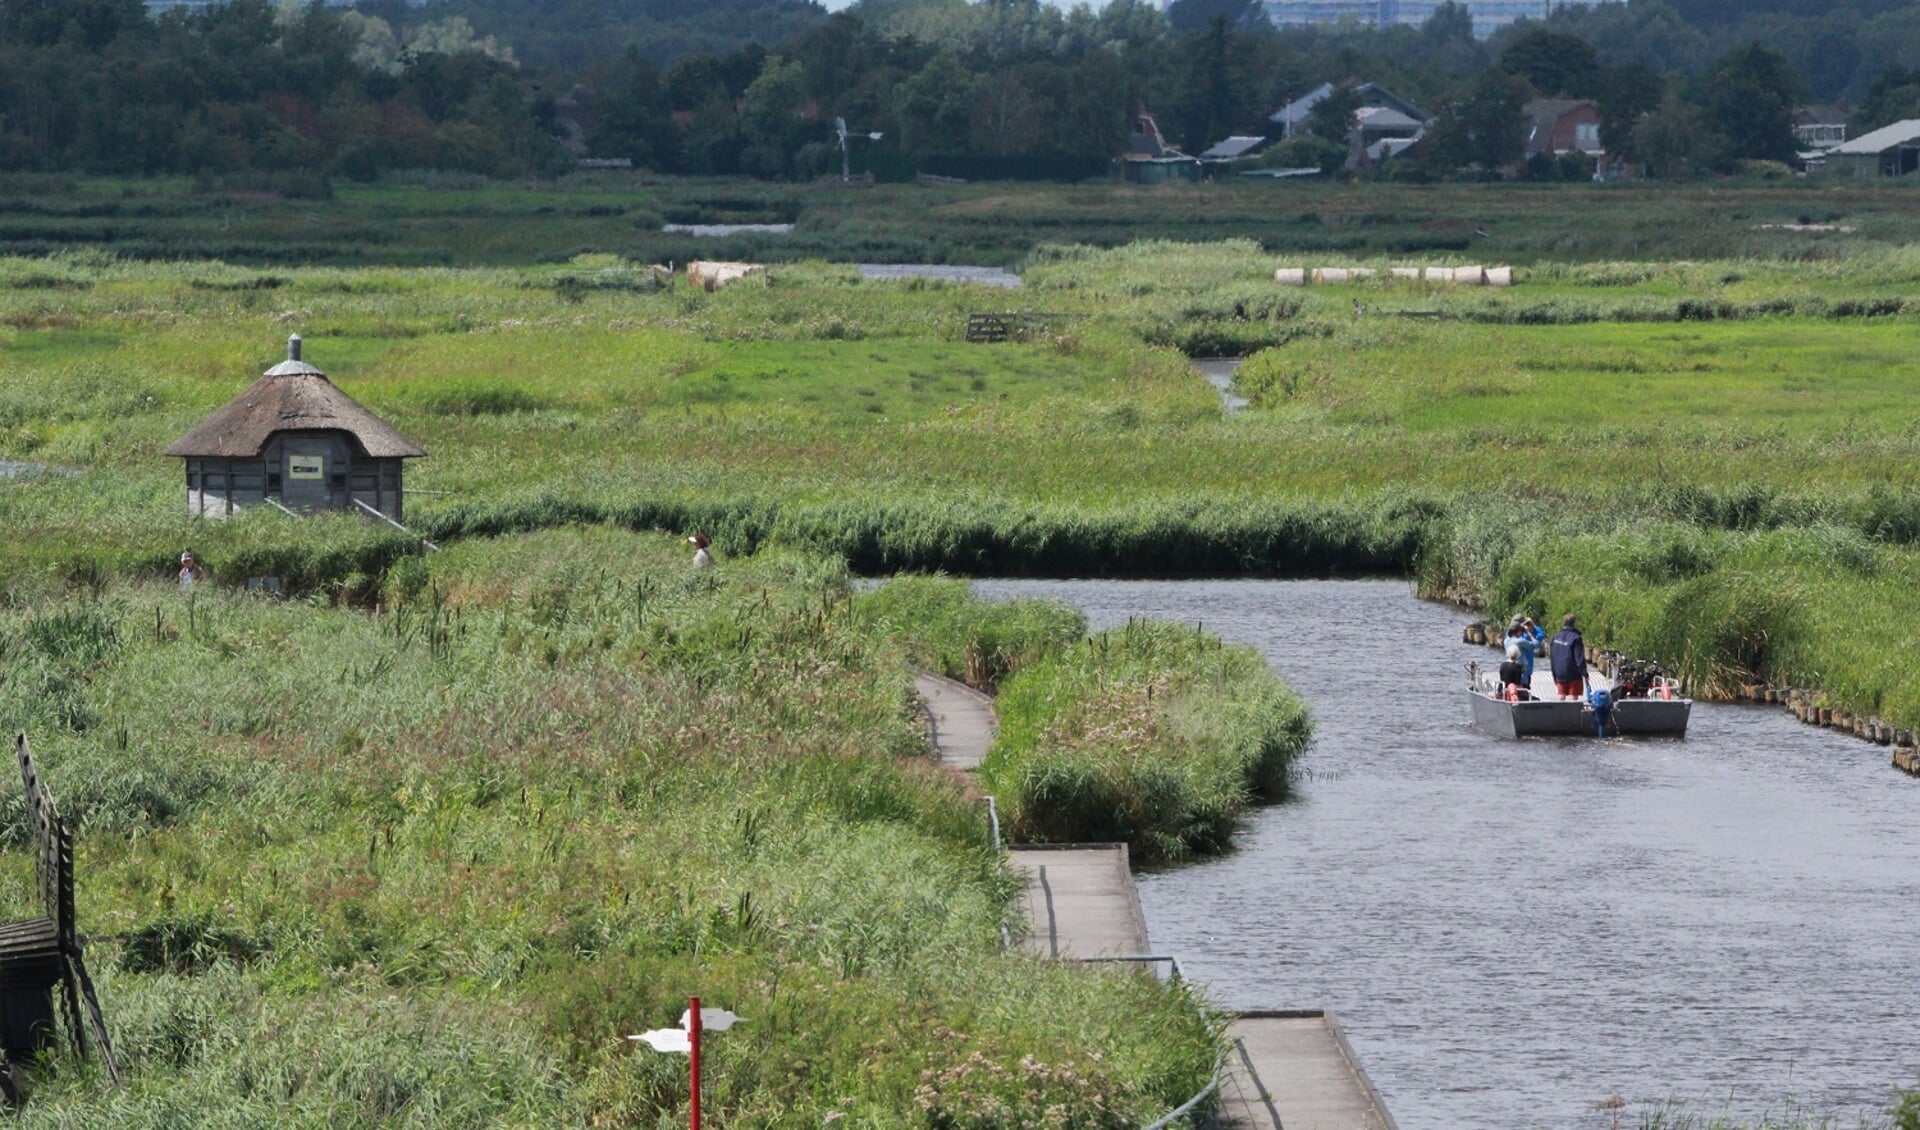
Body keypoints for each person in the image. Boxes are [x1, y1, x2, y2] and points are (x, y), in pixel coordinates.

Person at [1549, 613, 1588, 700]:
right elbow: (1579, 658)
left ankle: (1561, 712)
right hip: (1573, 674)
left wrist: (1554, 674)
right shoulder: (1576, 638)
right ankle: (1572, 713)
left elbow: (1552, 658)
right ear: (1574, 623)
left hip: (1559, 672)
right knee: (1573, 697)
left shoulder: (1555, 637)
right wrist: (1585, 673)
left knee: (1561, 696)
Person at [1504, 614, 1545, 687]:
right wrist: (1533, 626)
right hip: (1524, 670)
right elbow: (1539, 639)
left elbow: (1511, 631)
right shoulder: (1523, 639)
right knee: (1524, 691)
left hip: (1510, 668)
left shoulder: (1507, 638)